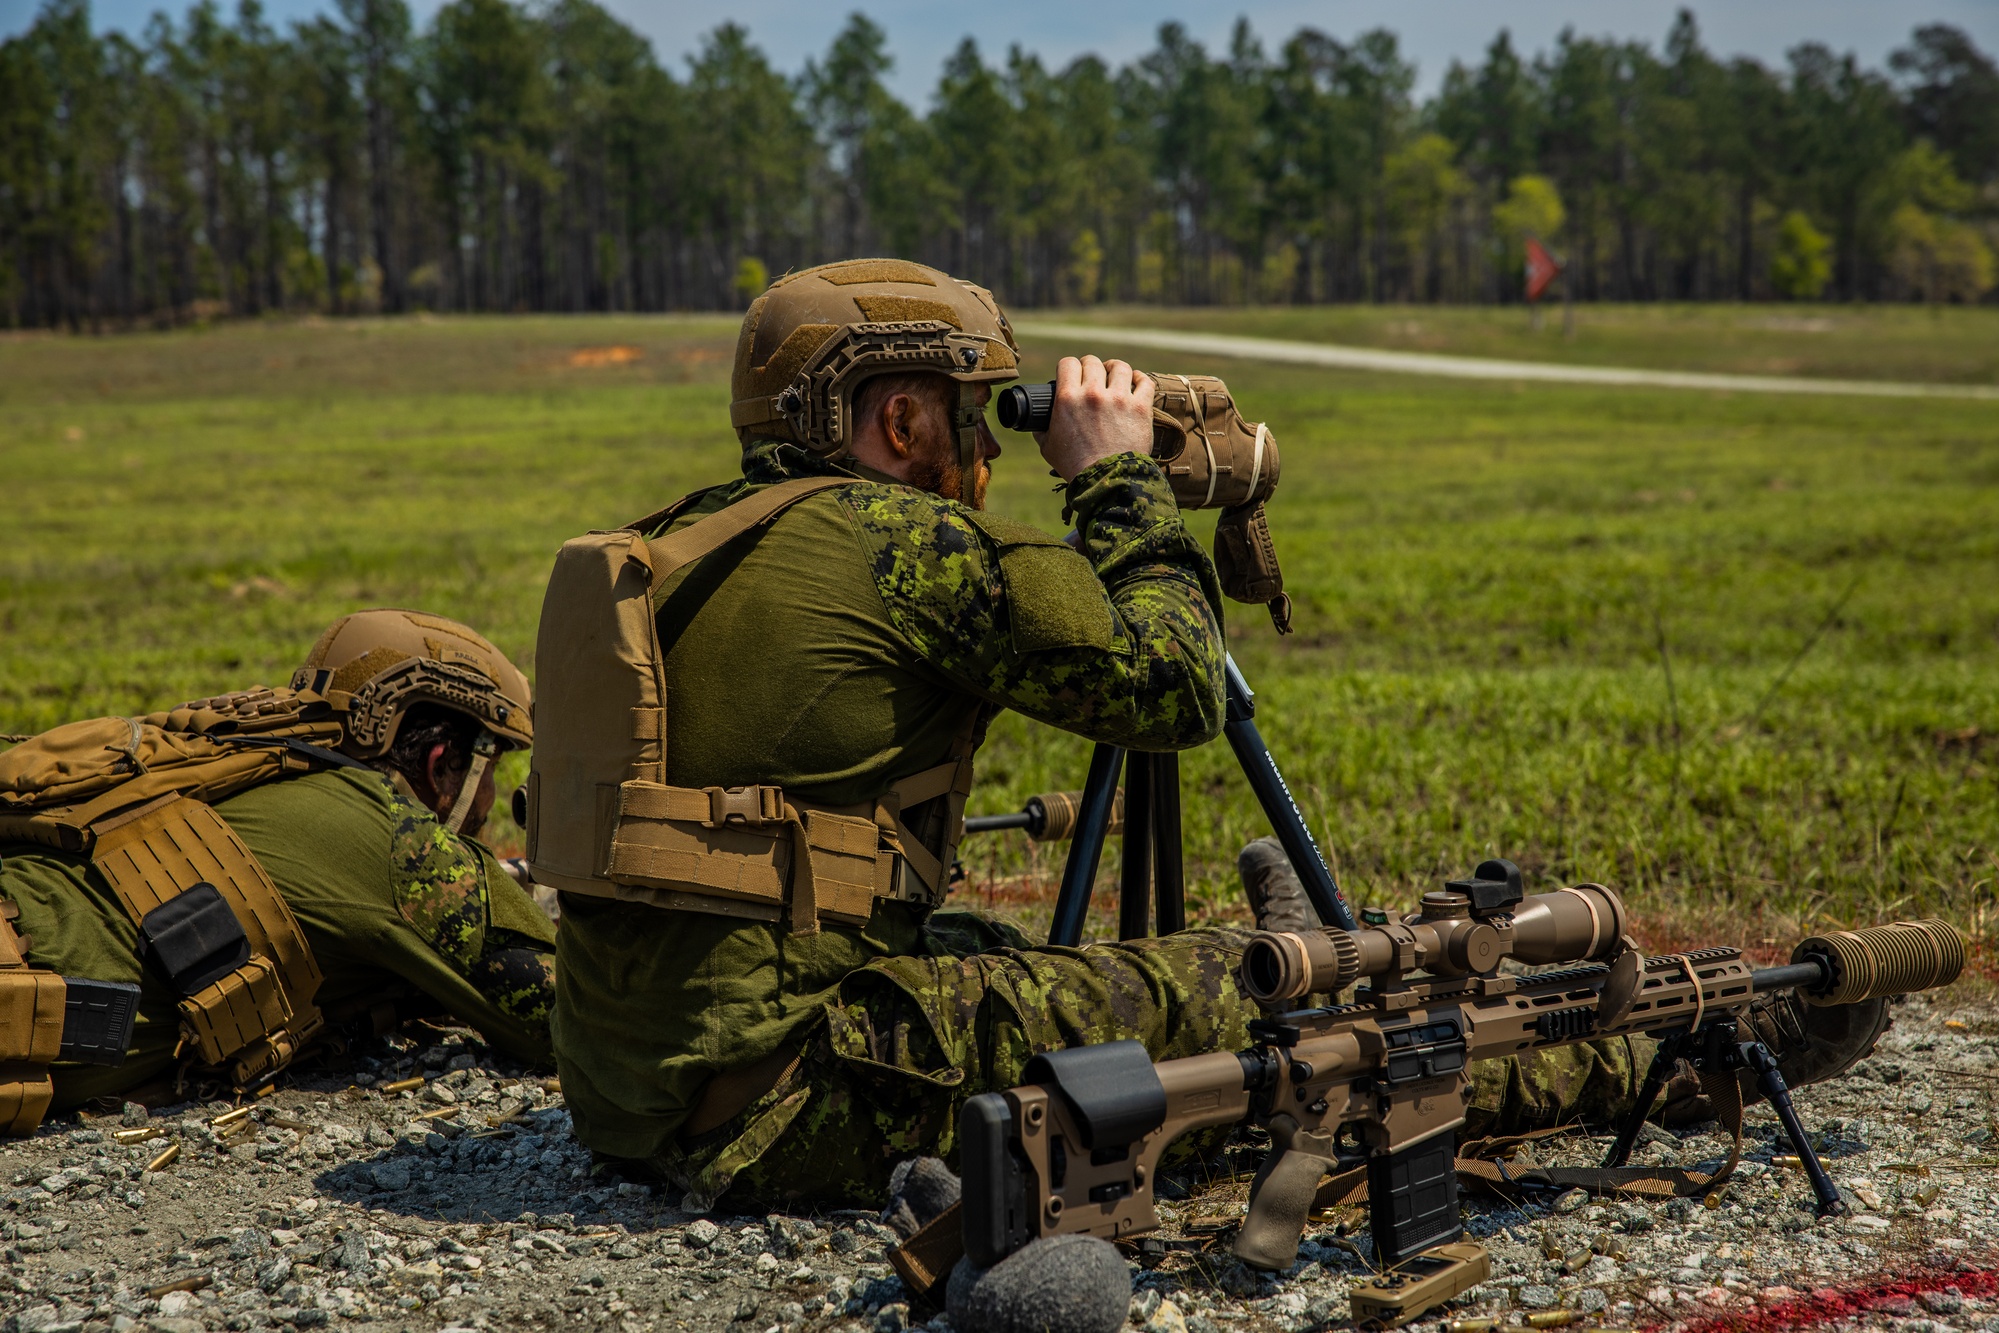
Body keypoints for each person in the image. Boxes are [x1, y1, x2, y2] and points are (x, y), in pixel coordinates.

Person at [541, 259, 1883, 1214]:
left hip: (632, 1079)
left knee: (1021, 958)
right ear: (898, 422)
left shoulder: (680, 536)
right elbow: (1173, 689)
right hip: (772, 1096)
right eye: (976, 420)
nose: (991, 458)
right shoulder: (900, 540)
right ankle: (1669, 1053)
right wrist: (1118, 475)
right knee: (1272, 999)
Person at [0, 609, 557, 1128]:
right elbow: (574, 1020)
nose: (492, 798)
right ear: (441, 766)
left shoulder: (246, 773)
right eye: (493, 768)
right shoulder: (395, 837)